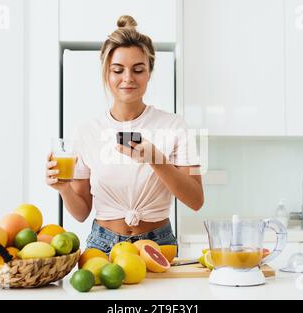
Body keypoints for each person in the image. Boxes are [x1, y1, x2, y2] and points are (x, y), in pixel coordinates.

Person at [46, 15, 204, 254]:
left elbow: (196, 200)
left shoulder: (175, 126)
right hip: (101, 244)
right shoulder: (86, 131)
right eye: (118, 70)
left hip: (158, 244)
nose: (128, 78)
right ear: (106, 74)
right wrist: (64, 189)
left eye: (138, 69)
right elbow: (81, 213)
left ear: (149, 72)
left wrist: (156, 159)